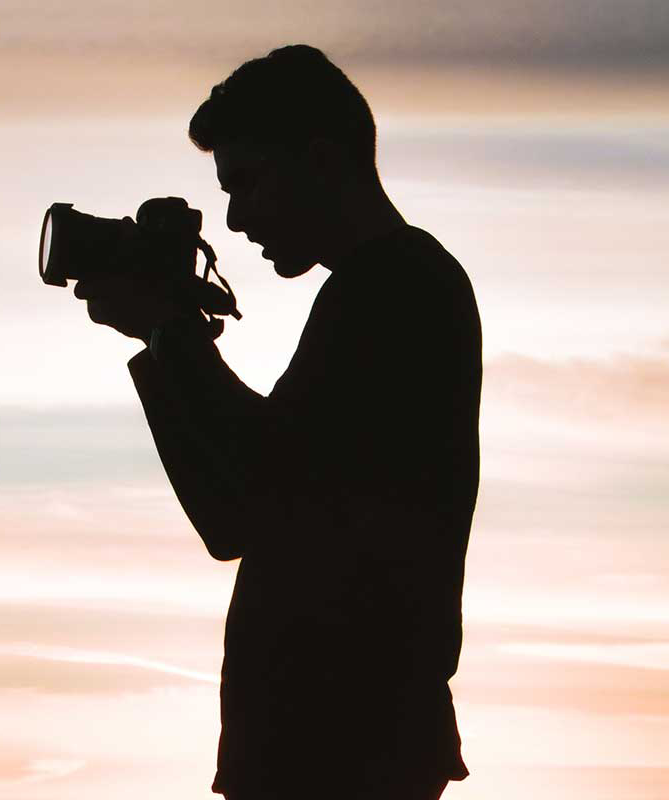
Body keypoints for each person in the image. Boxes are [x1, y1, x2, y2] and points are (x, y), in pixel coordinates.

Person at [74, 45, 482, 799]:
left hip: (345, 742)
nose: (235, 218)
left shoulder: (398, 286)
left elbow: (266, 479)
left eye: (247, 183)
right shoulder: (383, 286)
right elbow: (230, 519)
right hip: (317, 739)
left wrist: (171, 334)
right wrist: (160, 344)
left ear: (319, 160)